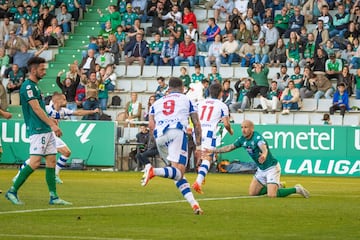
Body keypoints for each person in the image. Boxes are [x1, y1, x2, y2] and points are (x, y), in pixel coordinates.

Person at [5, 57, 71, 205]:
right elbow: (35, 109)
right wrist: (53, 125)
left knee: (51, 161)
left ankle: (53, 197)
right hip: (37, 129)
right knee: (34, 163)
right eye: (42, 69)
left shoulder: (35, 86)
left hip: (45, 129)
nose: (44, 72)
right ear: (33, 70)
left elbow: (41, 109)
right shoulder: (28, 87)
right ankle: (12, 191)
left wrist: (51, 121)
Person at [141, 77, 204, 215]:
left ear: (168, 89)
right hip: (176, 132)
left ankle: (194, 205)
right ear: (182, 89)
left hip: (159, 136)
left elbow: (151, 126)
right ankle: (153, 171)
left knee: (176, 173)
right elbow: (197, 124)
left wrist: (155, 143)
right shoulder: (187, 100)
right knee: (179, 172)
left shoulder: (156, 103)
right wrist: (198, 148)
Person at [205, 120, 310, 198]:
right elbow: (229, 147)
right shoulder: (242, 139)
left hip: (271, 168)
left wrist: (264, 154)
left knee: (272, 195)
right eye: (242, 127)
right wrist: (213, 150)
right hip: (261, 169)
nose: (243, 129)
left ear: (251, 129)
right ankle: (277, 185)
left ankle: (297, 189)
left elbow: (263, 147)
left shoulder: (257, 137)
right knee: (252, 193)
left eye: (246, 127)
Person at [13, 92, 100, 184]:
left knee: (66, 152)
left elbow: (78, 112)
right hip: (42, 134)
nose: (66, 101)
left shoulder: (63, 111)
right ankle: (18, 175)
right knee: (36, 158)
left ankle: (55, 174)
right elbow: (35, 114)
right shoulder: (47, 109)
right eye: (64, 99)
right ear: (57, 101)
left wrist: (93, 111)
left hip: (51, 136)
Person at [192, 83, 234, 194]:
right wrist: (230, 131)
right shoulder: (222, 105)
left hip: (196, 131)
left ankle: (200, 175)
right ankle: (198, 182)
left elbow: (193, 117)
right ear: (221, 93)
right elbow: (226, 124)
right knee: (208, 157)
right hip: (209, 132)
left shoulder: (200, 103)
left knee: (201, 155)